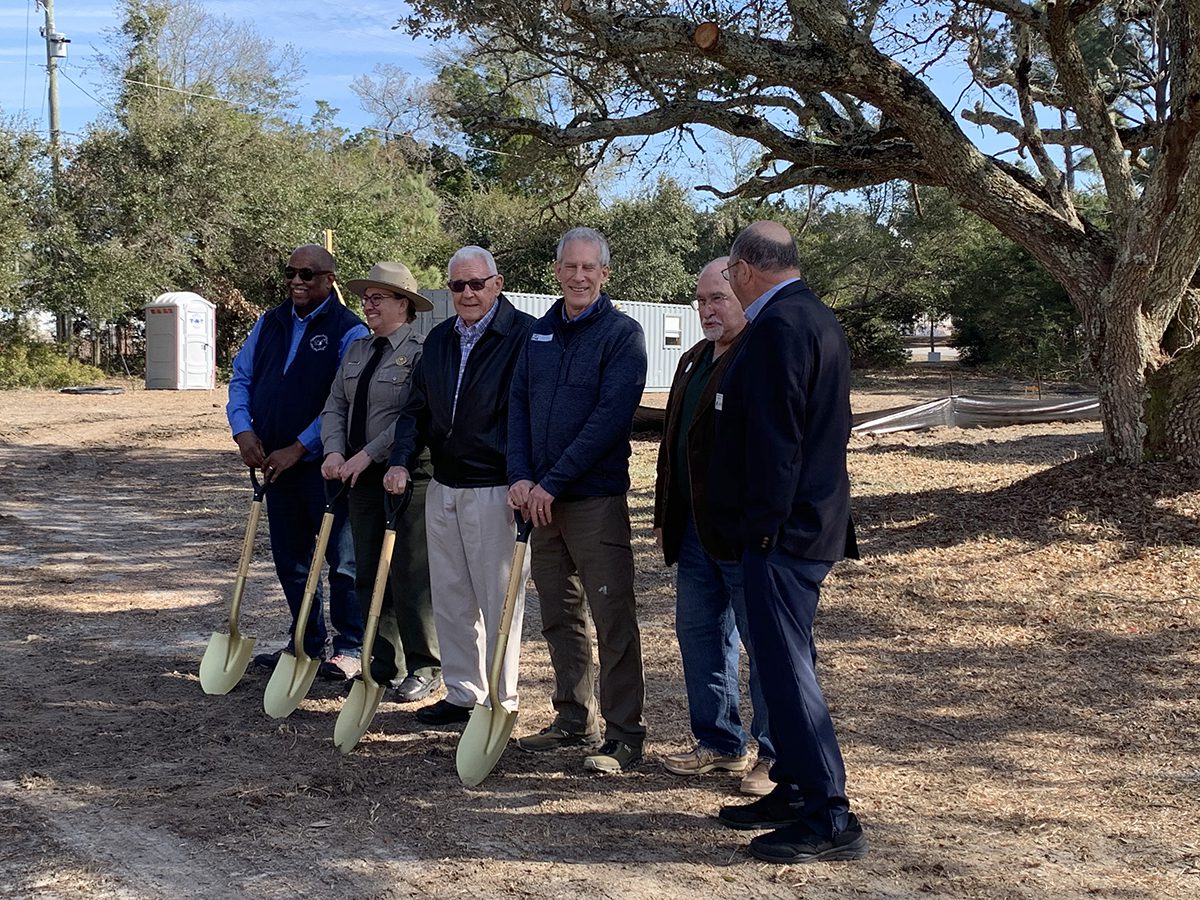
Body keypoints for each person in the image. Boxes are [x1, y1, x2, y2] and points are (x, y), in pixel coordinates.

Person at [708, 221, 866, 864]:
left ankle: (830, 814)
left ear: (745, 269)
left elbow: (779, 441)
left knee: (790, 672)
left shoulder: (778, 327)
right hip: (808, 524)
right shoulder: (818, 318)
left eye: (730, 277)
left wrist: (764, 529)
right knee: (780, 664)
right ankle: (797, 788)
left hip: (784, 534)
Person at [507, 227, 649, 773]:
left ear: (605, 273)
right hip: (538, 502)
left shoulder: (622, 335)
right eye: (571, 267)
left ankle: (624, 735)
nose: (580, 276)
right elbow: (517, 407)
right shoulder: (538, 333)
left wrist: (552, 482)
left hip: (591, 499)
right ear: (557, 270)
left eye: (590, 267)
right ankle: (572, 719)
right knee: (559, 615)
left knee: (612, 615)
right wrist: (519, 476)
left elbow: (608, 422)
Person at [382, 246, 535, 727]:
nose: (467, 293)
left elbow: (529, 414)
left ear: (497, 283)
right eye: (457, 286)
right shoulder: (441, 340)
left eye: (476, 283)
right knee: (450, 597)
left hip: (496, 488)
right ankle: (464, 693)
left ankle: (501, 703)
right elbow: (414, 410)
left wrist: (521, 476)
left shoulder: (526, 336)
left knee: (499, 600)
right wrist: (400, 461)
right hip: (444, 485)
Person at [653, 257, 775, 796]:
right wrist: (664, 517)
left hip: (745, 534)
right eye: (700, 300)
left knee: (764, 644)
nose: (706, 309)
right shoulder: (691, 360)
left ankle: (775, 756)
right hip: (694, 531)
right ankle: (720, 745)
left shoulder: (761, 355)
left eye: (717, 299)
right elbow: (671, 448)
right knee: (701, 636)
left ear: (744, 296)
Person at [226, 244, 368, 676]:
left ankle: (350, 648)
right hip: (273, 463)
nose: (297, 281)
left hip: (326, 466)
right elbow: (241, 377)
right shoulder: (268, 322)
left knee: (342, 561)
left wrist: (301, 447)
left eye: (308, 274)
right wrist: (242, 429)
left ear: (329, 280)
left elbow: (340, 402)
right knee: (291, 559)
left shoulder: (350, 332)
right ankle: (304, 642)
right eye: (290, 273)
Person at [319, 262, 441, 693]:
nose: (367, 306)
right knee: (369, 571)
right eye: (365, 298)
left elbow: (414, 416)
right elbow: (335, 403)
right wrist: (334, 450)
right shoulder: (358, 351)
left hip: (404, 476)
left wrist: (369, 456)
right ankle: (384, 661)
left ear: (403, 304)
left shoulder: (423, 352)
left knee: (411, 573)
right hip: (359, 478)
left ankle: (425, 666)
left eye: (377, 299)